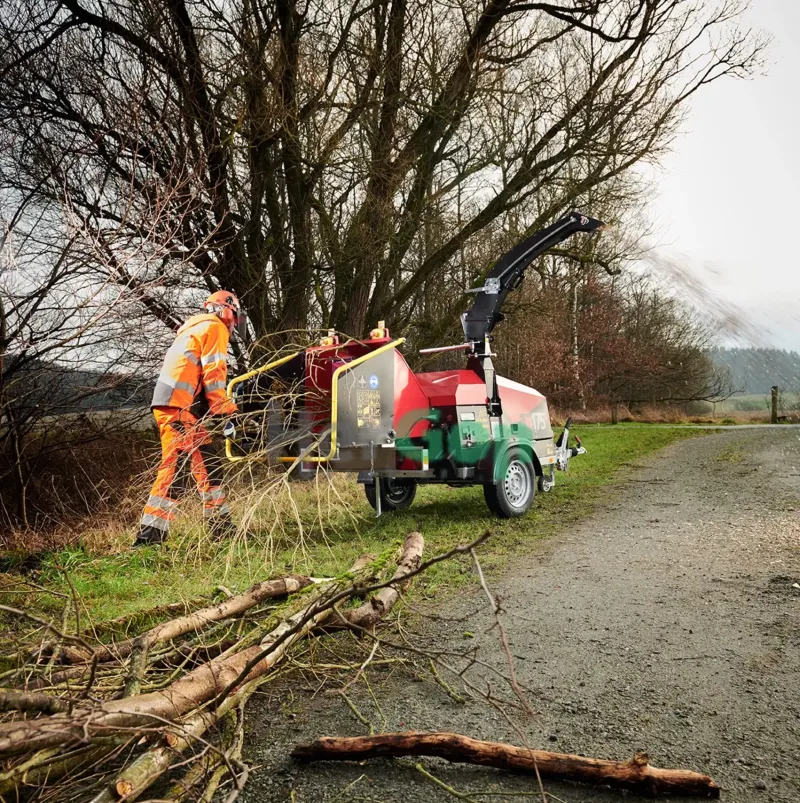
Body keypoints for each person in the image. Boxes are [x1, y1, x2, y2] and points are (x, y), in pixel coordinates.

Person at [134, 291, 246, 547]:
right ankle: (148, 539)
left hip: (182, 409)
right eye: (235, 318)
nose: (234, 325)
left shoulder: (195, 328)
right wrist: (230, 411)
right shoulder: (214, 327)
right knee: (176, 469)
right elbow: (214, 377)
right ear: (227, 311)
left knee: (209, 463)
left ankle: (222, 528)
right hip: (177, 409)